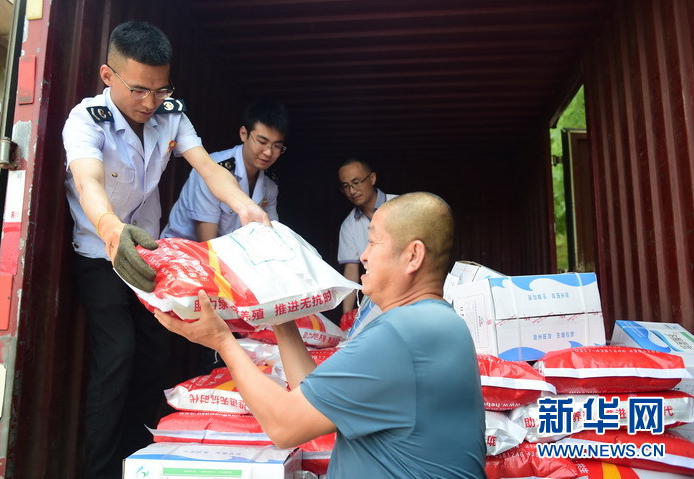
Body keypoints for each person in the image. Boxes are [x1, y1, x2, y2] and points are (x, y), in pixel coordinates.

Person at [62, 21, 269, 479]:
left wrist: (244, 205)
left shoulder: (170, 114)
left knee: (155, 355)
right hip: (100, 253)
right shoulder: (85, 120)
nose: (150, 101)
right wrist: (110, 228)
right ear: (108, 75)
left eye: (161, 89)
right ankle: (100, 471)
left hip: (149, 255)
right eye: (139, 89)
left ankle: (137, 461)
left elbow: (208, 167)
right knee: (117, 355)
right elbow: (88, 181)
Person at [155, 192, 487, 478]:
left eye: (373, 241)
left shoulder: (402, 333)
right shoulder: (433, 324)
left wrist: (222, 342)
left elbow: (285, 427)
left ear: (412, 256)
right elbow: (310, 397)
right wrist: (281, 317)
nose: (363, 255)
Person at [161, 99, 288, 241]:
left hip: (231, 251)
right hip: (184, 248)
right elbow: (207, 240)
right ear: (243, 134)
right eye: (262, 142)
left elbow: (271, 233)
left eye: (276, 146)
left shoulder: (270, 184)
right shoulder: (211, 168)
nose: (268, 152)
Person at [337, 158, 397, 313]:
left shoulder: (401, 205)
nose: (352, 191)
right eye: (346, 186)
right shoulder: (348, 225)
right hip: (379, 301)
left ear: (372, 178)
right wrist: (346, 316)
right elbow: (351, 271)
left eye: (356, 183)